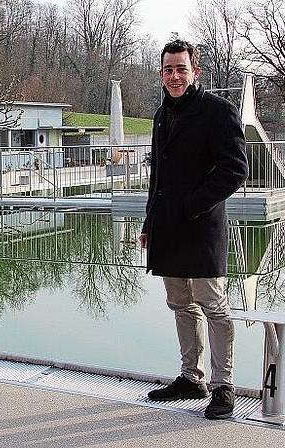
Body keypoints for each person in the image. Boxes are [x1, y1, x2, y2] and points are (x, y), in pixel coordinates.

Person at [139, 39, 249, 419]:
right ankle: (191, 377)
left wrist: (192, 205)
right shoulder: (160, 115)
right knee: (180, 305)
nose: (174, 76)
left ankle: (223, 386)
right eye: (168, 70)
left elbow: (235, 169)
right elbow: (157, 176)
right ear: (161, 73)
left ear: (195, 71)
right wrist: (149, 222)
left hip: (201, 228)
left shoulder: (218, 111)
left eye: (181, 69)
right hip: (167, 228)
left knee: (215, 308)